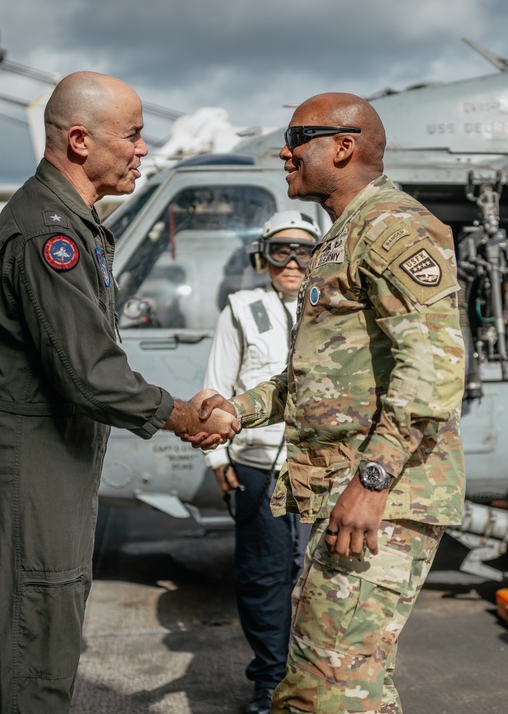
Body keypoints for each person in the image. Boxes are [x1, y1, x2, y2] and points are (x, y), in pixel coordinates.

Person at [0, 71, 238, 714]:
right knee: (31, 649)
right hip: (24, 462)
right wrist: (182, 415)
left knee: (45, 632)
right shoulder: (48, 234)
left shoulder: (71, 222)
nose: (142, 149)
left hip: (43, 459)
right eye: (132, 135)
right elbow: (90, 374)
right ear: (80, 140)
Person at [200, 93, 466, 714]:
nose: (284, 152)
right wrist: (237, 411)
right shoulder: (343, 236)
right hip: (347, 491)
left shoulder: (392, 227)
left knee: (322, 688)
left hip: (383, 495)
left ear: (343, 147)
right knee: (352, 683)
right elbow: (317, 380)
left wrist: (371, 483)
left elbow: (434, 366)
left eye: (298, 138)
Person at [204, 210, 318, 714]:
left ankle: (314, 681)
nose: (291, 263)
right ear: (262, 257)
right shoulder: (241, 310)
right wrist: (217, 457)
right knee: (264, 578)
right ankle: (270, 681)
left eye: (303, 251)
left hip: (320, 469)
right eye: (280, 251)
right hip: (258, 468)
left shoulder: (336, 307)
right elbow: (216, 385)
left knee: (318, 579)